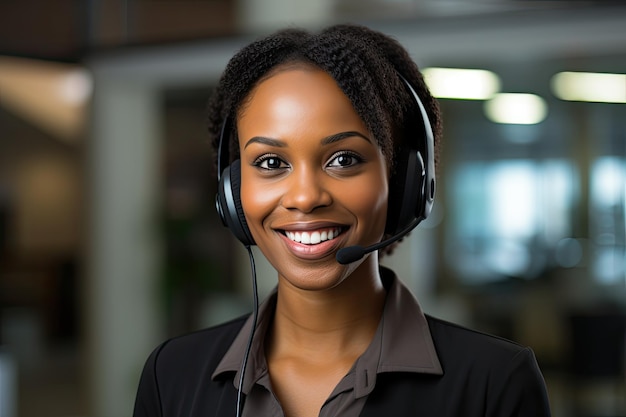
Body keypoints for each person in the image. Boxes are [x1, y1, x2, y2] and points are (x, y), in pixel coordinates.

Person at [133, 24, 552, 417]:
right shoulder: (171, 376)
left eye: (344, 159)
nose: (305, 196)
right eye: (271, 162)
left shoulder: (494, 384)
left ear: (406, 183)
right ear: (232, 189)